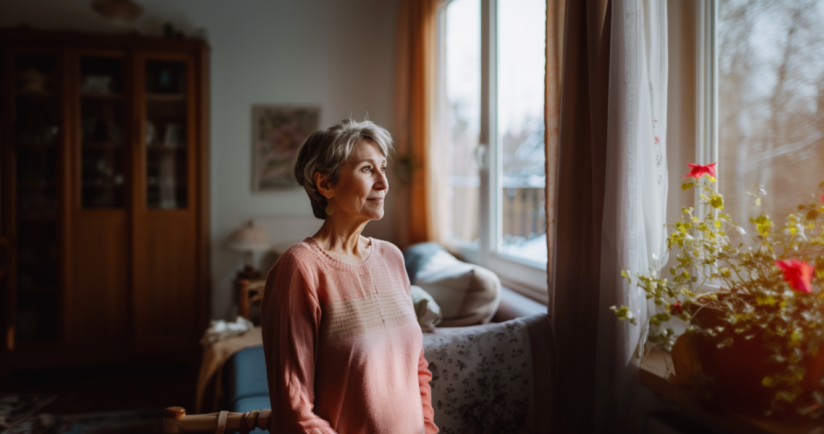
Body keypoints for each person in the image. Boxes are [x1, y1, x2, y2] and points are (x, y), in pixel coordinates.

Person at [261, 119, 438, 434]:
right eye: (367, 169)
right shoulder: (300, 268)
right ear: (325, 184)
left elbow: (417, 371)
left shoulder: (393, 258)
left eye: (383, 168)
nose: (383, 182)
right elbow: (295, 406)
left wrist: (427, 429)